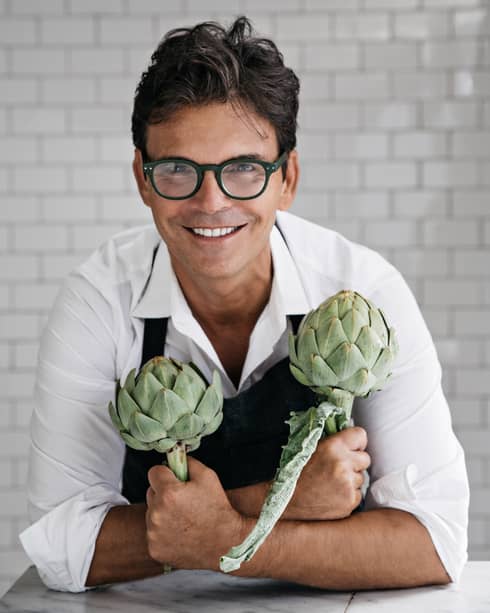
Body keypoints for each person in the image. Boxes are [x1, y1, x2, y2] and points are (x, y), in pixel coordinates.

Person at [20, 17, 469, 593]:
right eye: (179, 169)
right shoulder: (100, 301)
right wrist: (277, 500)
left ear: (288, 179)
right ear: (143, 179)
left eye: (244, 170)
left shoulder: (365, 295)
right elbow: (63, 548)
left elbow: (433, 542)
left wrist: (225, 537)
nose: (212, 202)